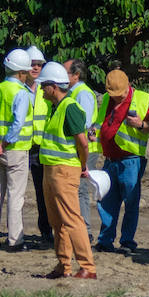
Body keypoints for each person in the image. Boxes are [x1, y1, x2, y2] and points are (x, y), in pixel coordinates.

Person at [35, 61, 96, 279]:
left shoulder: (70, 108)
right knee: (57, 221)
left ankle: (87, 267)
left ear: (53, 86)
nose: (41, 89)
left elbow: (83, 142)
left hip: (64, 170)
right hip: (51, 170)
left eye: (43, 86)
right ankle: (64, 265)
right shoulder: (56, 108)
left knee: (71, 219)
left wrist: (82, 164)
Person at [94, 69, 149, 254]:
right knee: (107, 201)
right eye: (113, 94)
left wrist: (140, 124)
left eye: (119, 94)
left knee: (130, 202)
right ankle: (105, 240)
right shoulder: (107, 100)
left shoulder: (142, 99)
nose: (117, 98)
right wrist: (94, 132)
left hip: (130, 160)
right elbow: (100, 124)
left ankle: (127, 242)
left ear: (128, 86)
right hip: (110, 160)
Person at [0, 50, 34, 252]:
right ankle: (15, 240)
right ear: (22, 73)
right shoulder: (21, 93)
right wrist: (3, 144)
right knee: (15, 195)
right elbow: (17, 123)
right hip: (15, 149)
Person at [65, 60, 101, 238]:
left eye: (65, 72)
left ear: (76, 75)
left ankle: (85, 231)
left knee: (80, 189)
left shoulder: (83, 93)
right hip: (78, 147)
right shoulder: (73, 92)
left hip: (86, 148)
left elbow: (83, 123)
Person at [25, 46, 52, 246]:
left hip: (43, 147)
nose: (35, 68)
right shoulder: (19, 89)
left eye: (39, 65)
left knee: (45, 191)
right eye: (32, 64)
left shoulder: (47, 90)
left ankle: (46, 229)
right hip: (23, 145)